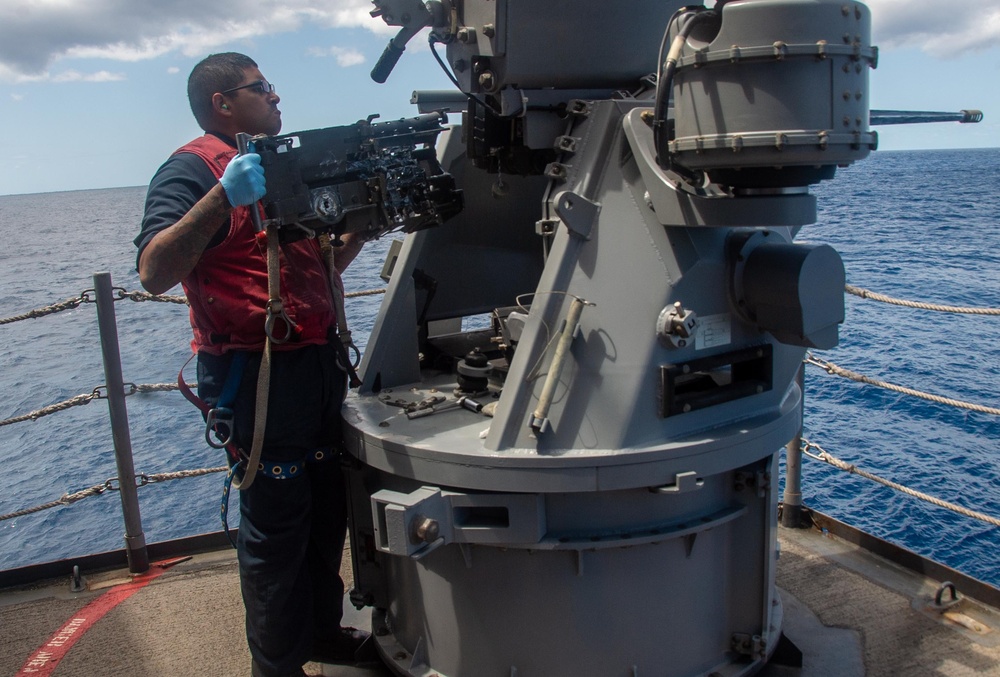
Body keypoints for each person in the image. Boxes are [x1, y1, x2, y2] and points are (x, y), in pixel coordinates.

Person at [134, 52, 371, 677]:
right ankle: (277, 667)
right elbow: (155, 271)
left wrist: (361, 233)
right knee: (274, 530)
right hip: (258, 378)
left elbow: (311, 273)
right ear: (223, 103)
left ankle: (320, 634)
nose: (276, 98)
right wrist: (221, 196)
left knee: (325, 514)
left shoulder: (281, 169)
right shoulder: (189, 169)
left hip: (315, 365)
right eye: (262, 88)